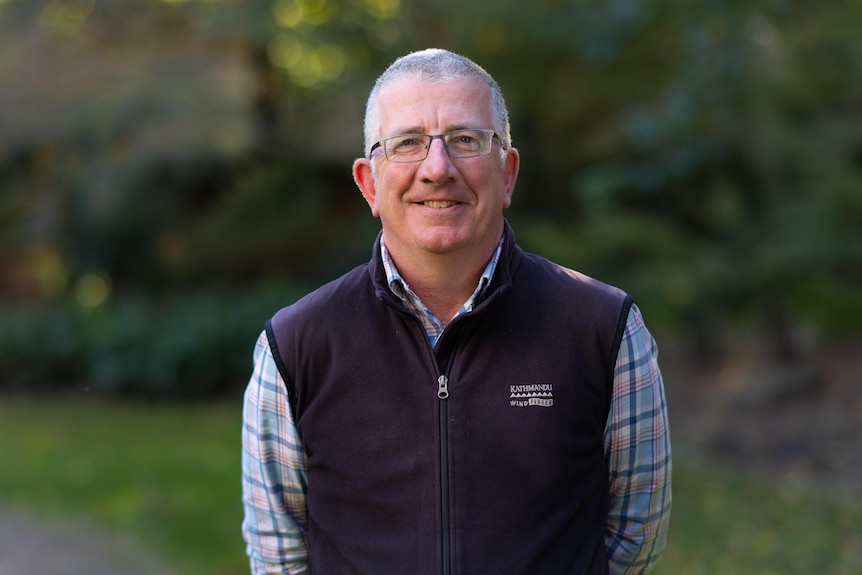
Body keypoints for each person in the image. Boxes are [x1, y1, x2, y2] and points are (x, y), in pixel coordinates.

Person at [241, 48, 671, 575]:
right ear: (370, 184)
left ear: (507, 173)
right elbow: (279, 557)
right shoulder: (296, 345)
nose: (437, 169)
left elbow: (635, 538)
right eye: (408, 144)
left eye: (466, 141)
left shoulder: (605, 331)